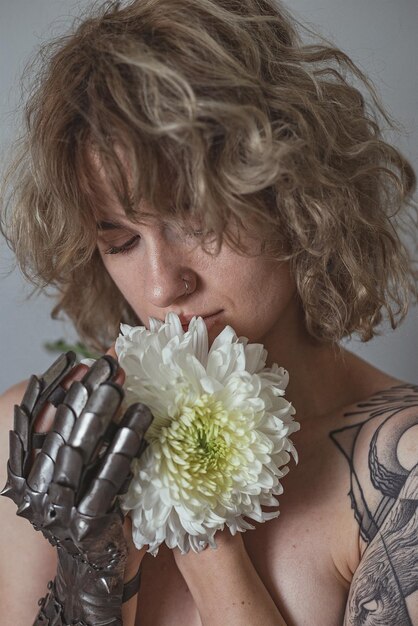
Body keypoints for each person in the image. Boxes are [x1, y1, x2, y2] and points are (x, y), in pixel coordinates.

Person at [0, 0, 417, 624]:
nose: (164, 285)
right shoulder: (32, 441)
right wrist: (94, 572)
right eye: (120, 241)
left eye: (196, 220)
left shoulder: (400, 467)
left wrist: (200, 529)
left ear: (295, 194)